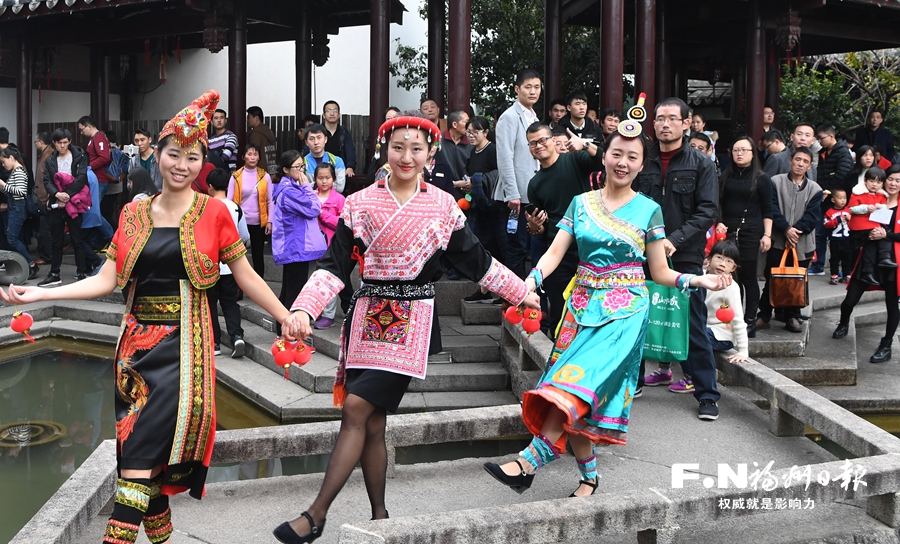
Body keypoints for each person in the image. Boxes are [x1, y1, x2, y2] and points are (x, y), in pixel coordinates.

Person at [0, 90, 297, 544]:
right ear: (156, 155)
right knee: (143, 463)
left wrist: (285, 315)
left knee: (135, 465)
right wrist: (38, 295)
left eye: (193, 157)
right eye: (173, 154)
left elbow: (249, 277)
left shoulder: (214, 212)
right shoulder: (134, 211)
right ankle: (161, 537)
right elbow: (106, 279)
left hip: (185, 355)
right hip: (134, 353)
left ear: (203, 162)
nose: (182, 164)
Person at [273, 114, 538, 543]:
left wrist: (519, 291)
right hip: (366, 315)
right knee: (372, 422)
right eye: (398, 147)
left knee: (356, 409)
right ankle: (381, 518)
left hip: (411, 318)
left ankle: (315, 514)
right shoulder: (359, 203)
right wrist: (304, 310)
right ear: (385, 150)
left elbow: (477, 262)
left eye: (417, 148)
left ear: (431, 154)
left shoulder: (442, 206)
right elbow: (334, 267)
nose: (407, 156)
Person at [483, 122, 730, 499]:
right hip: (579, 308)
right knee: (573, 392)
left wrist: (700, 281)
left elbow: (659, 271)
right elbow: (554, 253)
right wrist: (527, 283)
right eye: (617, 153)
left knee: (574, 384)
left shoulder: (650, 210)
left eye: (633, 157)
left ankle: (529, 461)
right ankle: (589, 478)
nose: (623, 162)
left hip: (624, 312)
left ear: (642, 164)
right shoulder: (581, 203)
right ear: (605, 156)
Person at [634, 97, 721, 420]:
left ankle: (707, 393)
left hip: (684, 253)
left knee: (692, 322)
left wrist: (673, 240)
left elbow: (707, 211)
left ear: (687, 123)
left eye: (672, 118)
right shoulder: (642, 159)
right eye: (659, 119)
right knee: (636, 316)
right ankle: (634, 380)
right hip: (641, 251)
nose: (664, 124)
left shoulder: (701, 162)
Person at [524, 123, 602, 336]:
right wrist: (534, 228)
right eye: (533, 143)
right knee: (559, 306)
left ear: (552, 140)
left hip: (589, 246)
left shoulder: (574, 160)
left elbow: (604, 160)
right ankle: (557, 356)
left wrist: (585, 144)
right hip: (558, 250)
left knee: (592, 305)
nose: (539, 146)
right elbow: (541, 227)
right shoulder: (535, 184)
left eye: (542, 140)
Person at [834, 164, 900, 362]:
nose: (893, 183)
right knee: (849, 300)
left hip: (893, 260)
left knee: (892, 305)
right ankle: (843, 322)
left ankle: (886, 345)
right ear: (882, 180)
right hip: (868, 258)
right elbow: (856, 223)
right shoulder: (874, 198)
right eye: (891, 179)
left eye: (898, 180)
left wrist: (886, 235)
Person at [756, 147, 823, 333]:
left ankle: (792, 316)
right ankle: (764, 315)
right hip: (778, 240)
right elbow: (772, 208)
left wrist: (795, 233)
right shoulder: (775, 182)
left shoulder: (815, 189)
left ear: (810, 165)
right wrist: (786, 229)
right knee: (772, 278)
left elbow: (812, 216)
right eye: (797, 160)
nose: (800, 164)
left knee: (797, 281)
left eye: (805, 161)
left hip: (803, 243)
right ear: (791, 160)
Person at [713, 136, 773, 337]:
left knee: (748, 277)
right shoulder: (725, 175)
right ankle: (731, 318)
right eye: (736, 150)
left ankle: (749, 322)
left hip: (750, 232)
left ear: (752, 153)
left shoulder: (761, 178)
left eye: (744, 150)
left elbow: (768, 209)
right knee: (731, 278)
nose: (739, 153)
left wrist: (767, 235)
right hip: (727, 232)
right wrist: (718, 221)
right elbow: (718, 203)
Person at [272, 150, 326, 336]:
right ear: (286, 169)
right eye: (297, 167)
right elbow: (314, 208)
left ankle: (282, 329)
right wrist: (306, 188)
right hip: (296, 247)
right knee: (294, 293)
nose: (302, 170)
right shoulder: (290, 191)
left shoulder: (286, 188)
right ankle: (290, 334)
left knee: (289, 289)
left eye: (302, 165)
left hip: (293, 247)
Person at [496, 68, 542, 278]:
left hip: (533, 191)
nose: (533, 91)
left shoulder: (534, 116)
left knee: (531, 246)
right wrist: (511, 193)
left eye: (537, 87)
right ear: (517, 89)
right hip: (516, 195)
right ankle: (512, 302)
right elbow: (505, 156)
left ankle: (528, 298)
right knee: (516, 246)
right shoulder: (509, 117)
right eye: (528, 87)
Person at [462, 115, 507, 303]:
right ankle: (484, 289)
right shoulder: (473, 152)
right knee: (482, 249)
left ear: (486, 132)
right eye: (468, 132)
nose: (471, 136)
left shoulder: (493, 151)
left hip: (495, 207)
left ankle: (504, 291)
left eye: (475, 132)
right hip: (479, 206)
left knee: (500, 250)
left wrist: (475, 181)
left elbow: (499, 175)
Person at [206, 167, 250, 357]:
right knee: (230, 303)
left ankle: (214, 342)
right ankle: (236, 336)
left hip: (208, 267)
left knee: (209, 304)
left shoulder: (204, 207)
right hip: (231, 266)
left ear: (209, 187)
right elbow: (245, 236)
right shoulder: (235, 208)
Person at [39, 128, 90, 287]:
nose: (63, 146)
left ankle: (82, 272)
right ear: (54, 143)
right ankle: (55, 273)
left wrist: (66, 195)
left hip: (74, 200)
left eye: (65, 142)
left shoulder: (79, 155)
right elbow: (47, 181)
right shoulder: (50, 159)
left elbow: (81, 178)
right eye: (59, 143)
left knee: (77, 239)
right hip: (57, 201)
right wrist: (56, 194)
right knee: (56, 239)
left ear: (69, 141)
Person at [227, 143, 273, 277]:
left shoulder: (265, 176)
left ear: (259, 157)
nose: (252, 157)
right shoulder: (235, 176)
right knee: (238, 256)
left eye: (255, 154)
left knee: (258, 256)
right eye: (249, 154)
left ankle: (259, 286)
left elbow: (270, 201)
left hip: (258, 222)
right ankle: (239, 287)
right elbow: (229, 201)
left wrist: (270, 221)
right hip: (240, 222)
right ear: (243, 157)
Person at [847, 167, 895, 285]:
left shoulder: (882, 196)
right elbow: (852, 208)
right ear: (865, 180)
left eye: (878, 182)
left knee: (884, 236)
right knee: (871, 246)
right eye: (872, 181)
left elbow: (884, 208)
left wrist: (881, 207)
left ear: (882, 184)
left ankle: (883, 259)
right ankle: (868, 272)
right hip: (860, 227)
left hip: (874, 225)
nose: (874, 185)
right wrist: (866, 208)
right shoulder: (857, 193)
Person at [705, 240, 749, 363]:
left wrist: (743, 351)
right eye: (719, 258)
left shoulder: (732, 287)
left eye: (729, 261)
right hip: (703, 328)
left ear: (733, 267)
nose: (723, 264)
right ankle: (665, 370)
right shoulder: (700, 278)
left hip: (722, 335)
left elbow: (738, 320)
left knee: (695, 337)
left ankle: (691, 377)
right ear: (709, 258)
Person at [313, 162, 345, 330]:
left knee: (328, 281)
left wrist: (322, 214)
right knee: (313, 281)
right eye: (320, 178)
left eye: (327, 178)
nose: (324, 181)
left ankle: (329, 315)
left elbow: (342, 224)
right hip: (312, 247)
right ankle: (315, 310)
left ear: (334, 178)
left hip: (331, 246)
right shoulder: (311, 196)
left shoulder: (339, 199)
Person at [0, 146, 39, 279]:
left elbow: (21, 192)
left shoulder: (19, 171)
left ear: (11, 158)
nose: (3, 165)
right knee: (15, 237)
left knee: (12, 238)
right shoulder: (16, 171)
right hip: (15, 207)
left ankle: (31, 264)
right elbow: (12, 191)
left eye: (4, 161)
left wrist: (4, 185)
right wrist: (3, 187)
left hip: (18, 208)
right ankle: (27, 264)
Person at [304, 124, 347, 194]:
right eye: (311, 139)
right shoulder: (302, 163)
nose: (316, 142)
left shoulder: (337, 161)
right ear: (306, 142)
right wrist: (328, 183)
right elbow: (299, 187)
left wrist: (311, 186)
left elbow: (339, 187)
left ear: (325, 139)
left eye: (319, 137)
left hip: (333, 202)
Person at [321, 101, 357, 177]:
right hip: (320, 169)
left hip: (340, 171)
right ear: (324, 115)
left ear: (339, 115)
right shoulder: (318, 132)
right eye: (328, 111)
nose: (332, 114)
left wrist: (350, 167)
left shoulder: (344, 133)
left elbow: (350, 151)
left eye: (335, 111)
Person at [824, 188, 852, 284]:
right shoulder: (829, 212)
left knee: (847, 257)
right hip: (835, 239)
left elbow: (853, 224)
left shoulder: (848, 210)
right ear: (833, 200)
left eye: (844, 198)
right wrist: (837, 220)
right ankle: (834, 275)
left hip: (846, 238)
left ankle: (846, 275)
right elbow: (826, 224)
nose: (843, 200)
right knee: (835, 258)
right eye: (840, 198)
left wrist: (850, 219)